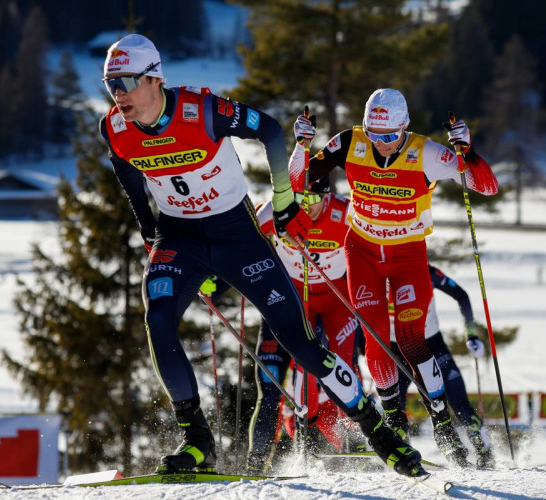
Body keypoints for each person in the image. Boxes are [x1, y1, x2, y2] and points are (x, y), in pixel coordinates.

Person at [100, 35, 421, 476]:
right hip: (179, 238)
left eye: (126, 82)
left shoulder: (202, 110)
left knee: (302, 345)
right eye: (109, 84)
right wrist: (148, 227)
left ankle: (377, 432)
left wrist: (284, 195)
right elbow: (126, 171)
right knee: (157, 320)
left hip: (237, 234)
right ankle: (197, 441)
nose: (117, 94)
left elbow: (269, 130)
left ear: (155, 79)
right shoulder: (113, 127)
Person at [289, 88, 499, 467]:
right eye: (374, 134)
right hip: (362, 250)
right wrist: (301, 144)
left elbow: (486, 186)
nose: (381, 144)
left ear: (404, 128)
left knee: (411, 340)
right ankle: (394, 420)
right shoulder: (351, 142)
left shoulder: (428, 154)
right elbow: (298, 179)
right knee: (374, 339)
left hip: (407, 255)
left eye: (389, 137)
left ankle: (442, 421)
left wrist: (467, 152)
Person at [247, 176, 363, 472]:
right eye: (299, 198)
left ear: (327, 195)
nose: (306, 207)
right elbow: (241, 239)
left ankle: (357, 439)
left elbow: (373, 245)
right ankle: (267, 457)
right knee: (284, 378)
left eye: (314, 199)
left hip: (337, 298)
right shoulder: (274, 210)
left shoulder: (346, 213)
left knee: (343, 365)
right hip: (294, 300)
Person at [390, 264, 494, 468]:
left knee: (459, 402)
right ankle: (402, 453)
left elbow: (461, 295)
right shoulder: (381, 273)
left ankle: (484, 452)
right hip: (396, 351)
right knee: (395, 406)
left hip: (433, 345)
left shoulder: (428, 272)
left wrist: (471, 333)